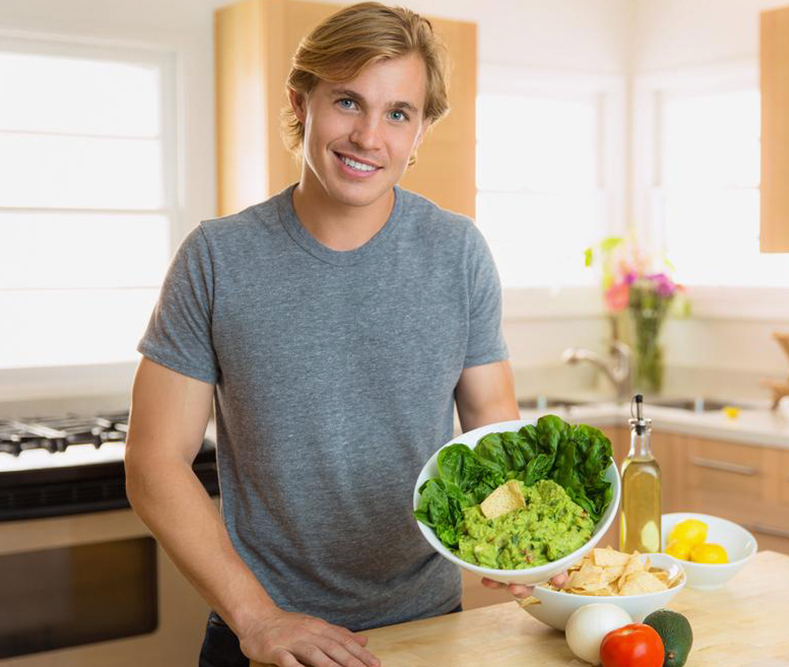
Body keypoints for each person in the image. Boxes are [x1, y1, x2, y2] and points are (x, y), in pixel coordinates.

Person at [124, 4, 562, 667]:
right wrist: (259, 617)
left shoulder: (457, 252)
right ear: (302, 103)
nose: (368, 136)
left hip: (427, 631)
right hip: (265, 638)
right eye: (347, 102)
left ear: (419, 133)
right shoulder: (218, 257)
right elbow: (153, 462)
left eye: (397, 114)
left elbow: (491, 426)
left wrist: (522, 539)